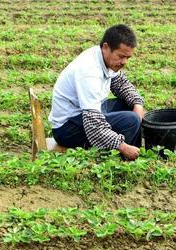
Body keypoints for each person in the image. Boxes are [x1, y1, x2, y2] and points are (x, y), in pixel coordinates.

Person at [49, 24, 145, 161]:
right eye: (121, 56)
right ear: (106, 47)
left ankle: (133, 153)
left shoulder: (104, 58)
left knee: (131, 107)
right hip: (67, 128)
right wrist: (122, 146)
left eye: (127, 58)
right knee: (131, 120)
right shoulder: (89, 72)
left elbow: (120, 83)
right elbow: (93, 124)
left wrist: (137, 104)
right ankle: (115, 161)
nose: (124, 62)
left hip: (86, 113)